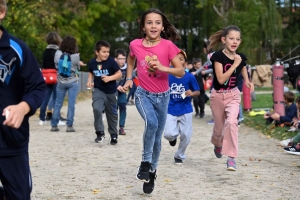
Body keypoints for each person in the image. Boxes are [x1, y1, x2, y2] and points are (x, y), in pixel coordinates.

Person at [120, 8, 184, 194]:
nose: (153, 26)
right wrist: (129, 78)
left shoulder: (168, 46)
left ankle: (152, 171)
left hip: (163, 96)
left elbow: (180, 71)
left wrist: (164, 67)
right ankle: (145, 163)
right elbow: (131, 60)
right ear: (143, 26)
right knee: (152, 123)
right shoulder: (135, 44)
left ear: (163, 27)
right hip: (143, 94)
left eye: (157, 22)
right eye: (149, 22)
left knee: (157, 138)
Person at [0, 0, 46, 198]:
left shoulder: (17, 49)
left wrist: (23, 107)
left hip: (11, 140)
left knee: (19, 195)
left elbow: (37, 87)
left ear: (1, 12)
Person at [207, 25, 254, 171]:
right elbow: (220, 79)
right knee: (219, 130)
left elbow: (243, 67)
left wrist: (247, 80)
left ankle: (231, 157)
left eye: (237, 39)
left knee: (232, 122)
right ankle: (217, 144)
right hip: (218, 96)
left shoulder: (240, 57)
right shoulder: (217, 57)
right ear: (224, 39)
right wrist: (235, 64)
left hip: (233, 94)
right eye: (231, 38)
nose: (234, 42)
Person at [164, 49, 200, 164]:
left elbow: (197, 91)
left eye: (181, 59)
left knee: (186, 135)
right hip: (170, 108)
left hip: (185, 109)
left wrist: (192, 93)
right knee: (169, 134)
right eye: (176, 59)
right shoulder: (167, 76)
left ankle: (179, 155)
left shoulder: (189, 77)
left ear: (185, 62)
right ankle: (173, 138)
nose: (179, 61)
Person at [86, 40, 122, 145]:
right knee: (97, 108)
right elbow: (91, 72)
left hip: (111, 91)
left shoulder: (111, 62)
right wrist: (89, 80)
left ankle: (113, 135)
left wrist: (110, 78)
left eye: (108, 52)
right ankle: (100, 133)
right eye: (104, 52)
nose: (106, 54)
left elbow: (119, 74)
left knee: (112, 114)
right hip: (98, 90)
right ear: (97, 52)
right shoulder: (92, 62)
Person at [50, 36, 81, 132]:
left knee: (58, 103)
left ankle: (54, 125)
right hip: (72, 82)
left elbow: (56, 66)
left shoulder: (58, 53)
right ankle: (69, 126)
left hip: (60, 81)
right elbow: (78, 68)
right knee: (71, 104)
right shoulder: (75, 56)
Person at [39, 31, 66, 126]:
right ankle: (56, 119)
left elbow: (44, 64)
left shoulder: (45, 51)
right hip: (55, 76)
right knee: (57, 98)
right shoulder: (58, 52)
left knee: (45, 98)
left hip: (46, 76)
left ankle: (41, 119)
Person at [115, 48, 128, 135]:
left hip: (122, 90)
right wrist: (117, 86)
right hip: (113, 90)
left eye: (124, 59)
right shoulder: (112, 67)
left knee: (123, 106)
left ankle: (121, 127)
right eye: (120, 59)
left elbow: (129, 79)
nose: (122, 61)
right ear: (115, 59)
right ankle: (112, 126)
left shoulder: (127, 68)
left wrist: (126, 86)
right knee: (114, 108)